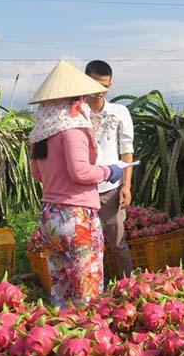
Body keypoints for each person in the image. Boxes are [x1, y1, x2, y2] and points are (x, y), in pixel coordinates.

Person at [29, 60, 130, 308]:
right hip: (76, 219)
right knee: (88, 292)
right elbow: (80, 172)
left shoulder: (40, 133)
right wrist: (109, 171)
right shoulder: (72, 129)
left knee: (61, 289)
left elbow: (37, 175)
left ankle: (62, 336)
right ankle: (87, 338)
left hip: (50, 217)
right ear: (76, 99)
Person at [83, 60, 134, 278]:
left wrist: (126, 185)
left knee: (118, 243)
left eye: (105, 86)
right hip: (82, 190)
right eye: (95, 85)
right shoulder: (75, 113)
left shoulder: (119, 112)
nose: (100, 91)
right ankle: (91, 292)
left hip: (111, 188)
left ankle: (129, 287)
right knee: (85, 246)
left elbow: (126, 150)